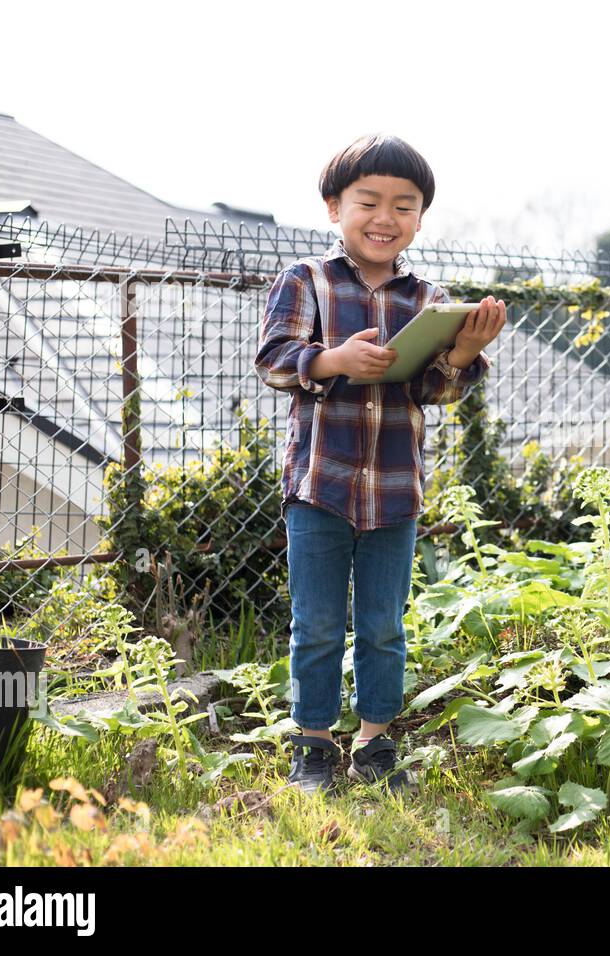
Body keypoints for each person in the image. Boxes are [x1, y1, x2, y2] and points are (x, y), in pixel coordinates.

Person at [255, 134, 506, 795]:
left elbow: (435, 391)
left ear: (420, 217)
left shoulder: (430, 299)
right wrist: (333, 360)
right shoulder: (305, 281)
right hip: (319, 486)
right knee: (314, 624)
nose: (385, 218)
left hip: (396, 491)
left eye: (404, 205)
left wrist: (459, 354)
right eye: (368, 202)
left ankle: (375, 744)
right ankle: (312, 745)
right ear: (335, 206)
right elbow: (274, 360)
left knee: (383, 625)